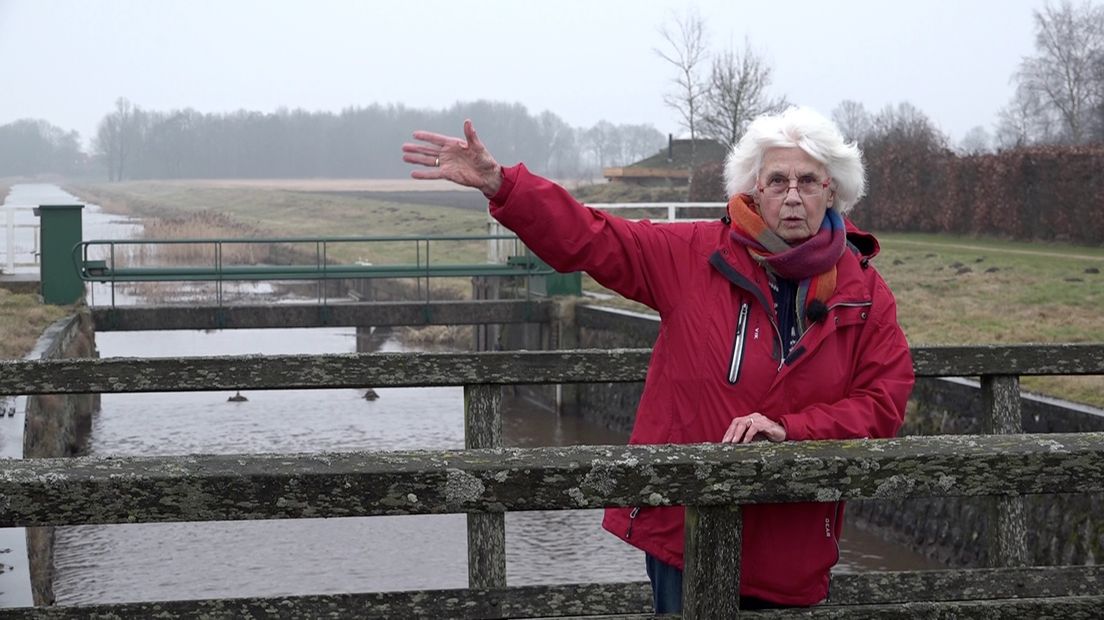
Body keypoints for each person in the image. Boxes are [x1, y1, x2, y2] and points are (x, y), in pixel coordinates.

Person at [402, 106, 914, 612]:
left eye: (808, 180)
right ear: (754, 189)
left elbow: (882, 405)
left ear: (833, 190)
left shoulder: (863, 292)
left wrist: (791, 430)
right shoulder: (694, 256)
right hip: (686, 534)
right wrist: (503, 185)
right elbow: (592, 237)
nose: (793, 196)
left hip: (792, 547)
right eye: (777, 181)